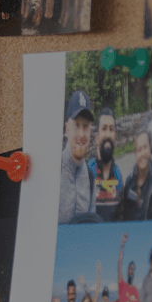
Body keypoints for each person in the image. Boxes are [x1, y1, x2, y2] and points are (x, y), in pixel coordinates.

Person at [58, 91, 100, 224]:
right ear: (67, 129)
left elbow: (91, 230)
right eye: (76, 125)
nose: (81, 134)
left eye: (86, 126)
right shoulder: (53, 171)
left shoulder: (90, 178)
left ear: (90, 131)